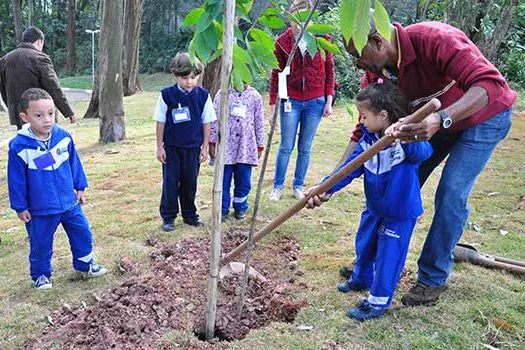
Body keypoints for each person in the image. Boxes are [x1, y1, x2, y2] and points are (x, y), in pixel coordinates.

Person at [339, 16, 516, 306]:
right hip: (437, 123)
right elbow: (363, 131)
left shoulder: (435, 38)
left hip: (484, 118)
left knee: (450, 193)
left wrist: (441, 117)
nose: (358, 64)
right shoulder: (376, 74)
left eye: (358, 56)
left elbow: (489, 84)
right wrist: (334, 177)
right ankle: (370, 264)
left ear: (377, 41)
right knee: (394, 185)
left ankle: (432, 276)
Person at [306, 80, 433, 320]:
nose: (361, 122)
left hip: (399, 213)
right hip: (374, 208)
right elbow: (348, 169)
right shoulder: (367, 139)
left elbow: (424, 153)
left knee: (388, 256)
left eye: (364, 116)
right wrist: (325, 188)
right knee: (364, 246)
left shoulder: (406, 141)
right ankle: (361, 278)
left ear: (383, 115)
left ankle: (377, 302)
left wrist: (406, 138)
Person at [7, 88, 106, 290]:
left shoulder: (63, 137)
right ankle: (41, 275)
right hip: (40, 209)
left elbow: (74, 163)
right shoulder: (19, 146)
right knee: (41, 244)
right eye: (39, 115)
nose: (47, 120)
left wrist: (80, 186)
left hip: (69, 203)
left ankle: (85, 264)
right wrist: (20, 206)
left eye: (51, 113)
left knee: (82, 232)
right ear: (24, 117)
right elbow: (15, 180)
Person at [268, 0, 335, 201]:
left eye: (307, 17)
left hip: (315, 101)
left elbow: (330, 71)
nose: (303, 22)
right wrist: (273, 105)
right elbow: (276, 74)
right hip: (291, 100)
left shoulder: (322, 38)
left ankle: (298, 185)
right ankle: (277, 186)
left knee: (305, 147)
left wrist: (328, 100)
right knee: (286, 146)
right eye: (298, 18)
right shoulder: (283, 41)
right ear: (292, 17)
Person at [153, 52, 216, 232]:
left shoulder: (203, 96)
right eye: (185, 78)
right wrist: (160, 147)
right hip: (172, 148)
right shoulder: (166, 95)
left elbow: (207, 122)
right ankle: (168, 216)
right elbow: (160, 121)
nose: (189, 82)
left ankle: (189, 215)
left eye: (193, 78)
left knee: (190, 183)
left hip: (193, 149)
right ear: (176, 75)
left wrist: (205, 147)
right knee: (170, 183)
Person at [0, 26, 76, 130]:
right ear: (39, 41)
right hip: (41, 115)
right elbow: (54, 88)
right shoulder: (39, 58)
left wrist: (13, 110)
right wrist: (68, 112)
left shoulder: (5, 59)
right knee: (45, 143)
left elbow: (3, 90)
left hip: (19, 115)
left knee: (26, 143)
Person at [209, 84, 265, 221]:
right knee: (223, 179)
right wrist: (212, 141)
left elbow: (259, 122)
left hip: (245, 147)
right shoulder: (222, 94)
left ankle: (240, 207)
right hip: (225, 147)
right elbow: (214, 118)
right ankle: (222, 209)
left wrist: (260, 145)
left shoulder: (255, 96)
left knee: (244, 179)